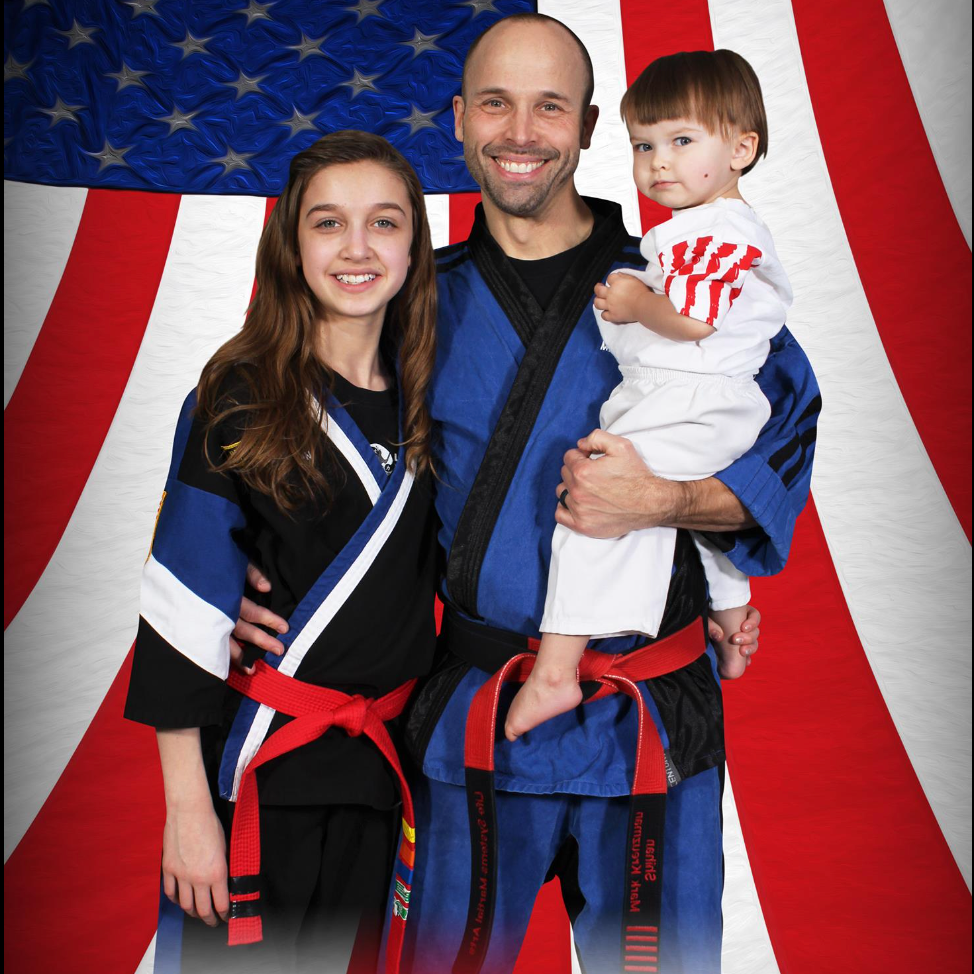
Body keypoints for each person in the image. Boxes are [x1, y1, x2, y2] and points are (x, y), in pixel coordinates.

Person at [240, 14, 819, 974]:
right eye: (497, 104)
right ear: (459, 120)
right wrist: (245, 596)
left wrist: (661, 502)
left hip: (649, 716)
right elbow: (319, 463)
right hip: (474, 715)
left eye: (549, 105)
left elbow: (781, 459)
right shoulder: (409, 301)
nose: (521, 131)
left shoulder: (687, 296)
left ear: (589, 126)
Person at [124, 131, 439, 974]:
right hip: (259, 769)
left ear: (415, 243)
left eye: (385, 222)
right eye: (328, 224)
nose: (358, 248)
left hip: (383, 773)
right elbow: (184, 599)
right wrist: (186, 808)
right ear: (292, 246)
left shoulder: (433, 402)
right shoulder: (240, 391)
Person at [505, 50, 790, 742]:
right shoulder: (703, 230)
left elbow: (694, 320)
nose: (658, 162)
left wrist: (634, 299)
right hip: (701, 402)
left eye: (681, 141)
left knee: (596, 506)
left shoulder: (715, 230)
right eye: (644, 145)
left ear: (742, 148)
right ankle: (730, 618)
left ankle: (555, 670)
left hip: (694, 399)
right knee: (696, 517)